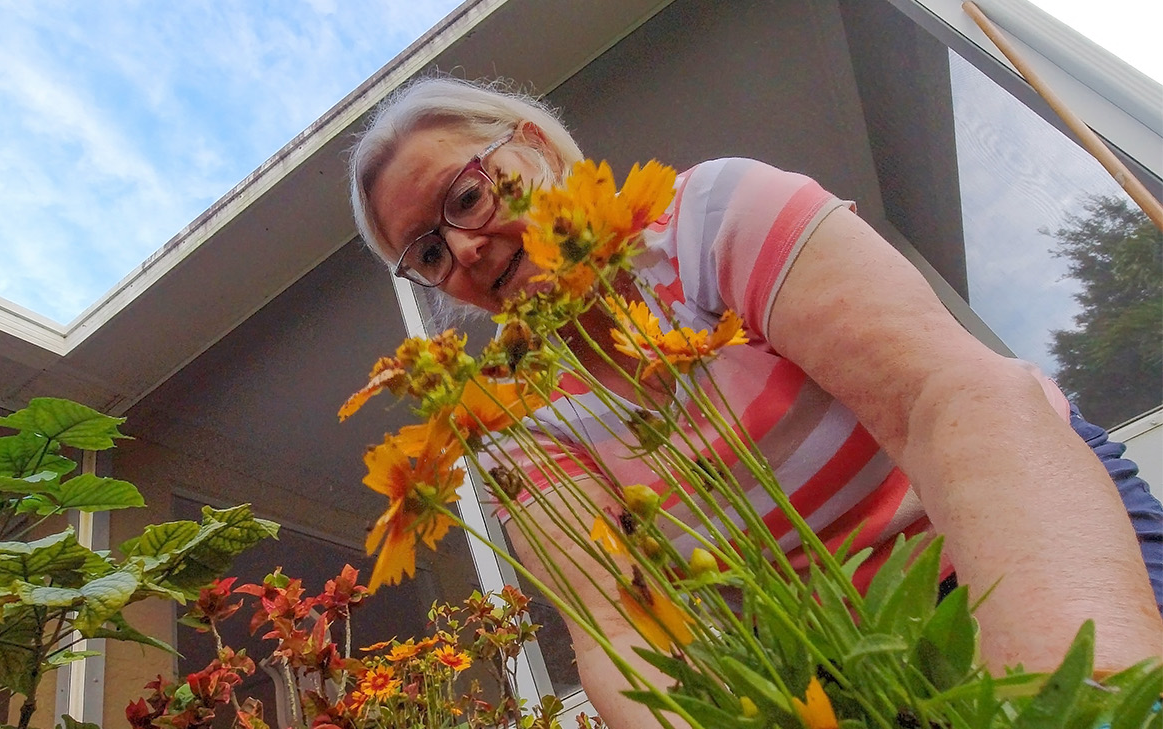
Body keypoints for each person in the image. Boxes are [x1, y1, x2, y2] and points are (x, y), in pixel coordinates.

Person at [348, 76, 1163, 727]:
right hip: (836, 653)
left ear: (531, 146)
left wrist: (1070, 695)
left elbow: (944, 400)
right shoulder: (514, 417)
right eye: (426, 250)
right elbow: (622, 625)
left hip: (1016, 535)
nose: (463, 246)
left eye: (466, 197)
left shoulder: (707, 219)